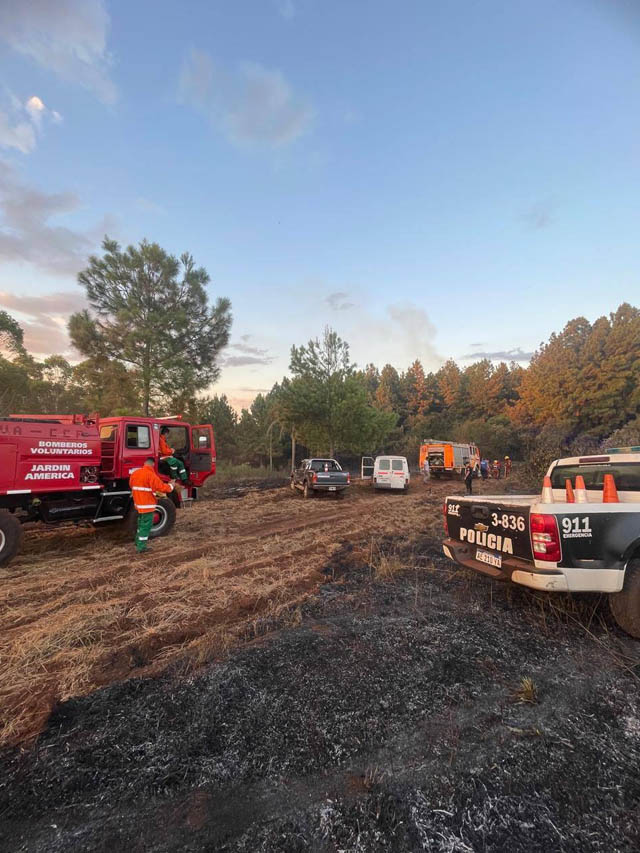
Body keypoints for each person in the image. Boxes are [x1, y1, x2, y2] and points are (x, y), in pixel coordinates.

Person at [129, 457, 174, 554]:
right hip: (147, 506)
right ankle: (141, 547)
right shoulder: (151, 475)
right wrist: (171, 486)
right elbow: (161, 487)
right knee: (146, 526)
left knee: (140, 524)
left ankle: (138, 542)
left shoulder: (135, 473)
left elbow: (131, 485)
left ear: (145, 463)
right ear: (153, 464)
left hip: (138, 505)